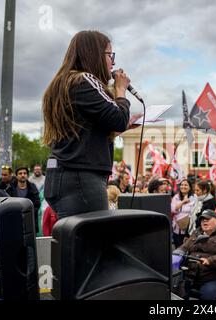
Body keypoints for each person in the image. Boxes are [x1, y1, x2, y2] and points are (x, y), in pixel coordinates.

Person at [42, 30, 140, 219]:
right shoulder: (85, 80)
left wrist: (124, 125)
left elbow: (84, 133)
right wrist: (120, 90)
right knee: (93, 242)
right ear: (94, 54)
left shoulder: (65, 83)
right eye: (110, 55)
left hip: (65, 175)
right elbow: (117, 119)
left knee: (77, 241)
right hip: (82, 177)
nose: (113, 61)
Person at [174, 209, 216, 300]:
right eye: (202, 219)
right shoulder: (196, 233)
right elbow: (184, 247)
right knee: (176, 292)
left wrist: (210, 260)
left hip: (212, 278)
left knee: (207, 295)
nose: (204, 220)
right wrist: (176, 254)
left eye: (207, 219)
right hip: (191, 275)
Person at [6, 167, 42, 233]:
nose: (23, 175)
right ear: (16, 176)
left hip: (30, 220)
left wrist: (27, 213)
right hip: (15, 220)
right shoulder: (10, 188)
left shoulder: (33, 187)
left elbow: (37, 204)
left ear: (27, 175)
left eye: (25, 173)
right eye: (20, 173)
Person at [171, 179, 196, 248]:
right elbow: (172, 210)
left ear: (190, 187)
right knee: (177, 248)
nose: (183, 187)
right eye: (182, 185)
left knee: (187, 248)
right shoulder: (176, 197)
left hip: (189, 229)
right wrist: (183, 202)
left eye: (186, 185)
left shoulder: (194, 197)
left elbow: (194, 211)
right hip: (177, 228)